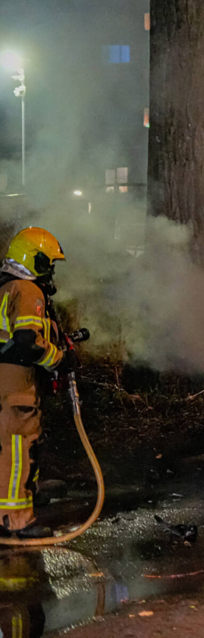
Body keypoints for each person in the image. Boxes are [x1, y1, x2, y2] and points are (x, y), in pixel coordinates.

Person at [0, 228, 65, 538]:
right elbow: (28, 342)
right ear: (34, 259)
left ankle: (28, 493)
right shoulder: (27, 290)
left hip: (5, 381)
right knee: (17, 447)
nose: (50, 270)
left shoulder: (5, 286)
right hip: (14, 383)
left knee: (9, 445)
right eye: (48, 263)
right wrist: (58, 358)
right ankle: (15, 519)